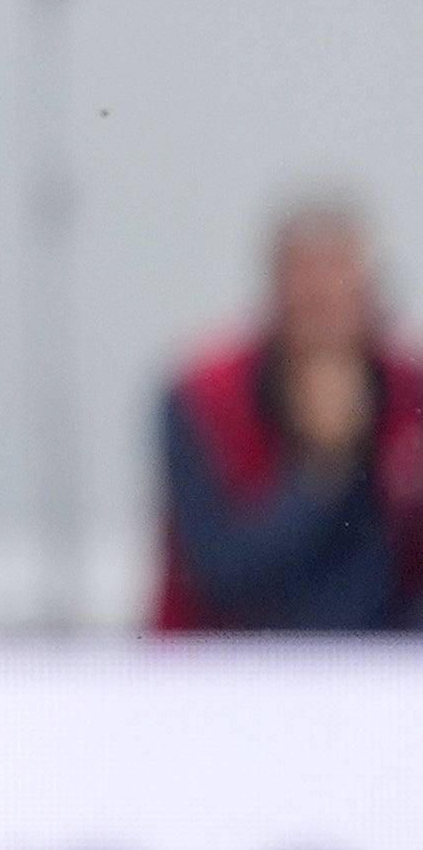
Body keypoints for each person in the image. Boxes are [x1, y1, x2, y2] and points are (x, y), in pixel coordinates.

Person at [155, 200, 423, 628]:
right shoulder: (205, 399)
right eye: (306, 287)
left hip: (388, 670)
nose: (323, 301)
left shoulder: (409, 395)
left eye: (339, 280)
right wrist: (323, 471)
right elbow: (221, 574)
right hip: (225, 671)